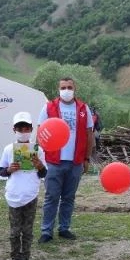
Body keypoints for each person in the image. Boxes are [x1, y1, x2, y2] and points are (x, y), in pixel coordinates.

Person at [38, 77, 94, 243]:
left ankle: (64, 228)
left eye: (69, 87)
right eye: (63, 87)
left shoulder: (84, 108)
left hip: (76, 161)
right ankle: (46, 231)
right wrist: (39, 157)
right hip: (53, 161)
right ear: (58, 89)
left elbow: (89, 134)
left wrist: (86, 158)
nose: (66, 90)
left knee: (69, 197)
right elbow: (40, 132)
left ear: (74, 89)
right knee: (51, 197)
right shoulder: (48, 107)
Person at [0, 112, 47, 260]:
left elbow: (43, 174)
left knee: (27, 231)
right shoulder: (8, 149)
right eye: (20, 128)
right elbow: (1, 171)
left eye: (27, 128)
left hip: (30, 195)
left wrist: (39, 166)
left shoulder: (38, 150)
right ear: (14, 130)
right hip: (13, 195)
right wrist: (9, 170)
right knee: (14, 231)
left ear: (32, 129)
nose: (23, 131)